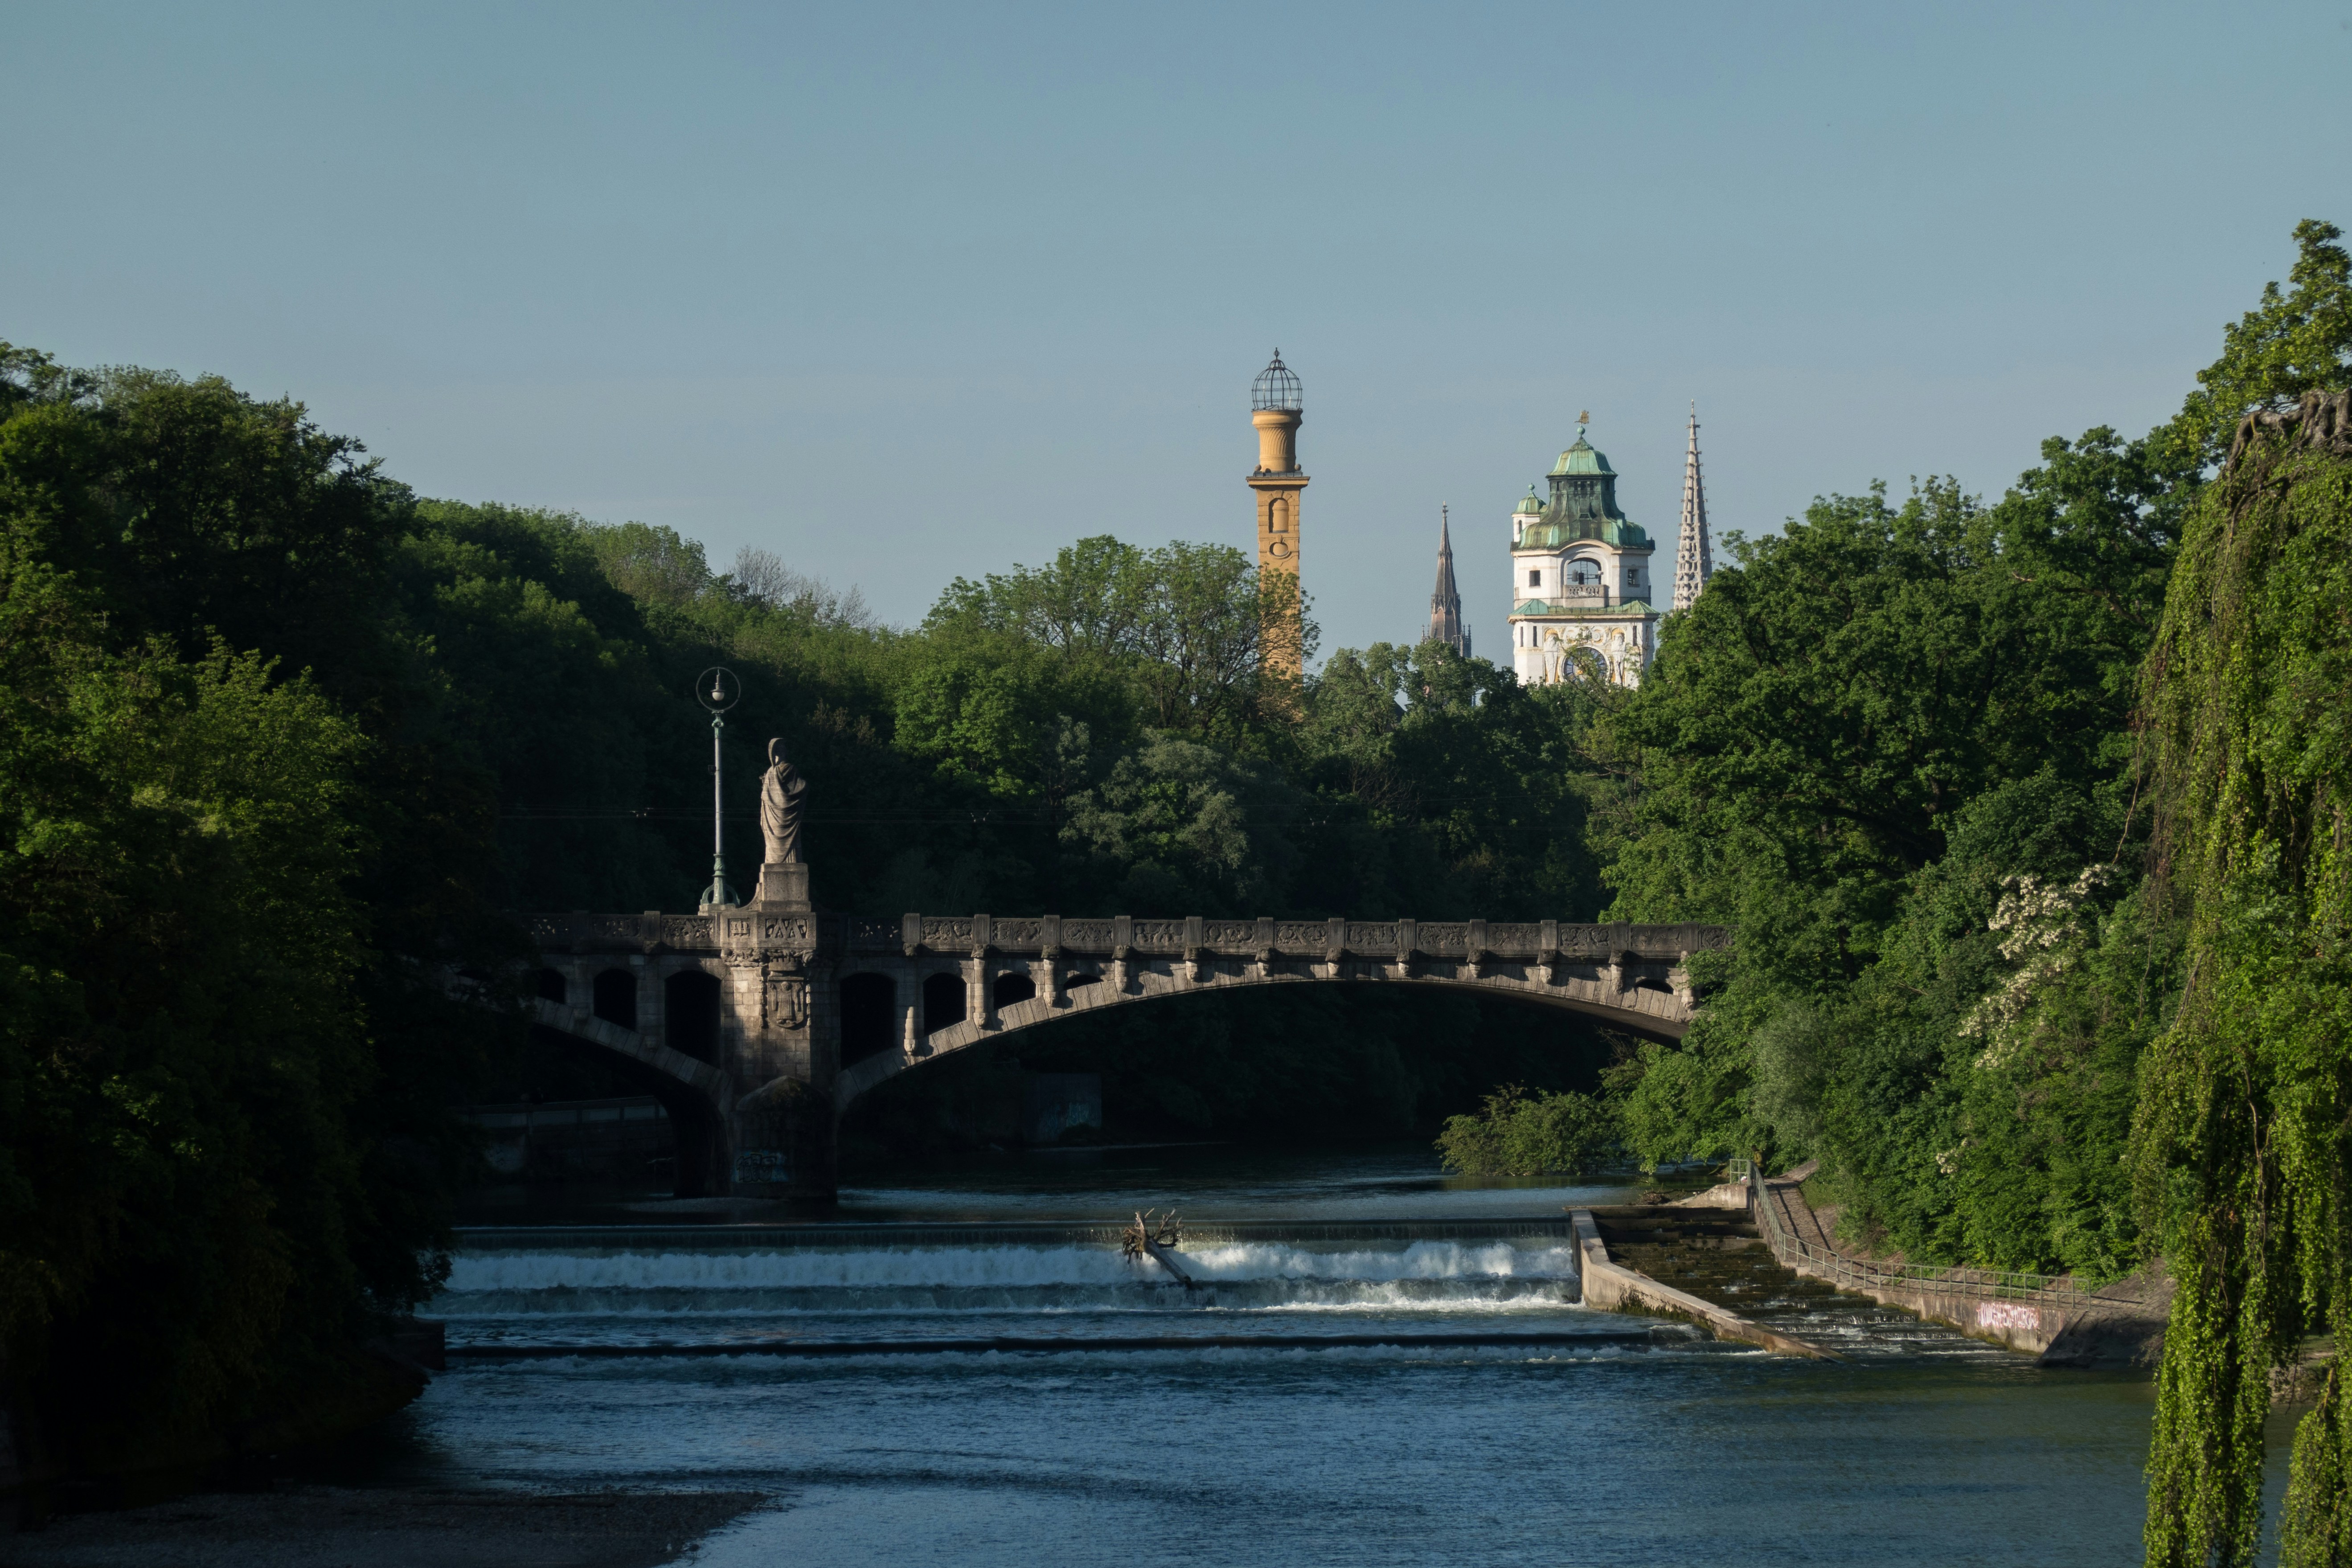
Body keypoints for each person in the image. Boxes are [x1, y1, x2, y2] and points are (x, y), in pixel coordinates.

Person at [759, 737, 807, 864]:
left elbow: (765, 795)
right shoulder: (791, 769)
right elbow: (801, 787)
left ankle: (773, 860)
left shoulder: (770, 773)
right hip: (787, 815)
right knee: (792, 850)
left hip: (774, 817)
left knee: (773, 846)